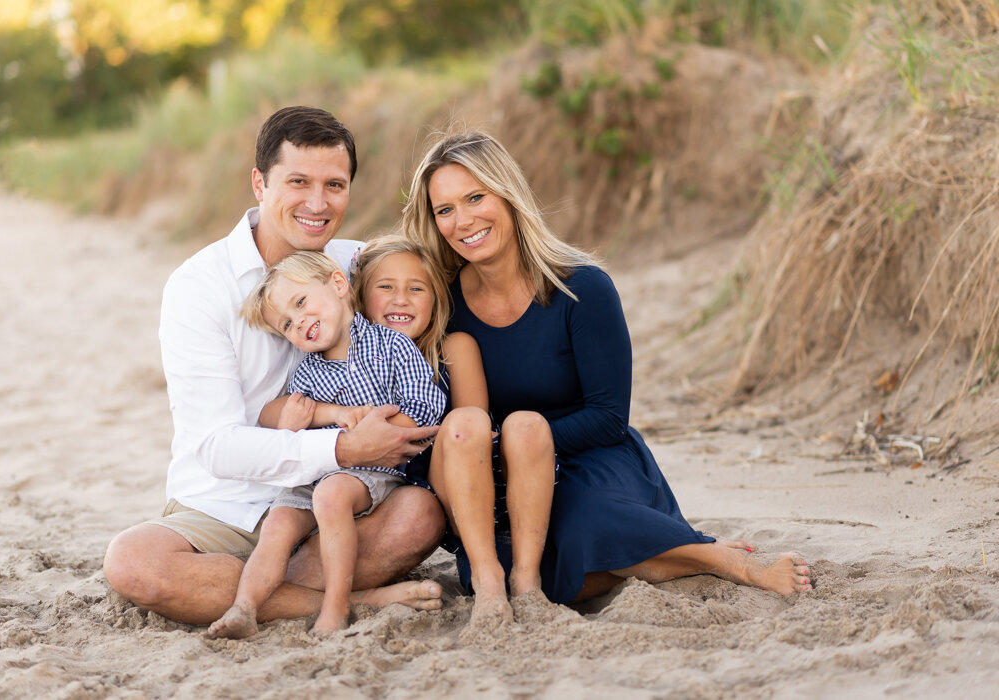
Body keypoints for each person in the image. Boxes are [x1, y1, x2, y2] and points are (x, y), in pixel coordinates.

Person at [401, 131, 813, 605]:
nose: (463, 220)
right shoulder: (442, 303)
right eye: (445, 209)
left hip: (592, 460)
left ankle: (724, 560)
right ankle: (639, 563)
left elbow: (609, 416)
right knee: (497, 569)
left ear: (509, 196)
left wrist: (521, 442)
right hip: (499, 474)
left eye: (476, 197)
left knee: (583, 524)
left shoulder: (583, 289)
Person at [102, 106, 444, 627]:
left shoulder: (358, 264)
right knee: (134, 564)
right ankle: (346, 600)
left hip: (338, 497)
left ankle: (249, 592)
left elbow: (434, 291)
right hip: (225, 503)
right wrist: (341, 443)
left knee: (419, 517)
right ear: (260, 183)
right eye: (298, 182)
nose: (317, 202)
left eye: (335, 184)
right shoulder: (199, 286)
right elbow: (215, 444)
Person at [209, 251, 446, 638]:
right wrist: (295, 422)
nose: (299, 321)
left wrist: (380, 433)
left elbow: (425, 404)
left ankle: (336, 606)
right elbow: (276, 422)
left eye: (301, 302)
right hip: (316, 473)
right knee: (279, 523)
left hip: (372, 471)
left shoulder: (392, 347)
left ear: (338, 285)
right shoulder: (307, 373)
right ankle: (244, 609)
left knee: (333, 495)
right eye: (287, 323)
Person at [351, 236, 557, 623]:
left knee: (514, 423)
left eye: (416, 288)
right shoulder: (356, 365)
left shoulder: (453, 347)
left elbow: (474, 429)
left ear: (436, 299)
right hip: (420, 495)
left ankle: (526, 580)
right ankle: (487, 578)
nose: (401, 299)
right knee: (463, 425)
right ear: (361, 299)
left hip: (470, 477)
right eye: (385, 287)